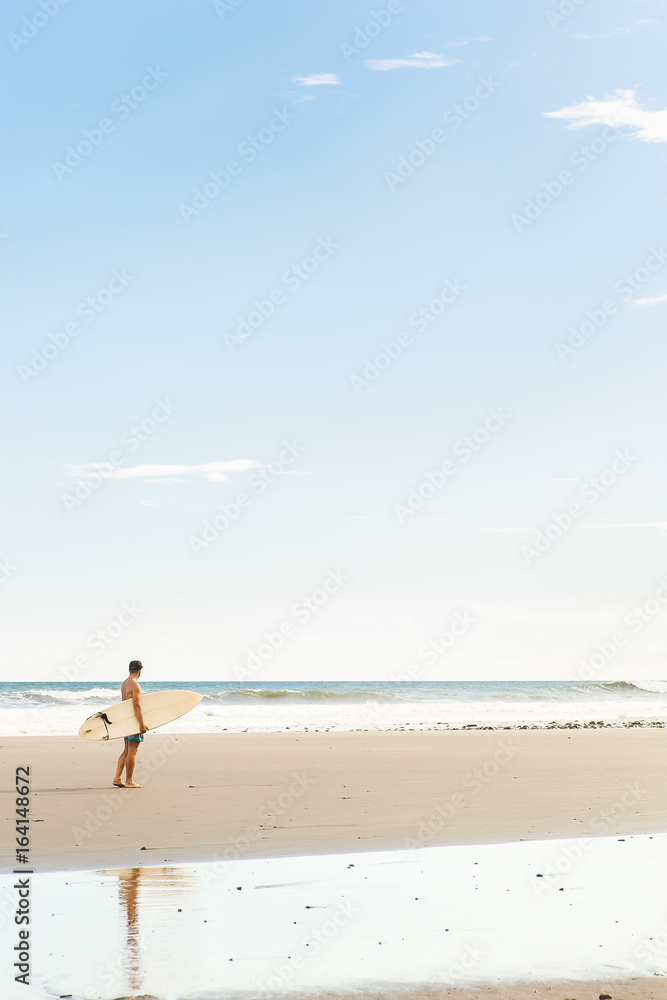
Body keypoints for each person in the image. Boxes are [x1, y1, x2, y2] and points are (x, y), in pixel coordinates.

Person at [113, 660, 148, 788]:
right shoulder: (135, 685)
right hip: (133, 722)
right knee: (133, 750)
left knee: (127, 750)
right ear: (140, 671)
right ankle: (129, 781)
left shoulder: (124, 684)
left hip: (126, 721)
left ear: (129, 670)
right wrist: (142, 724)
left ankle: (117, 778)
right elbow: (137, 706)